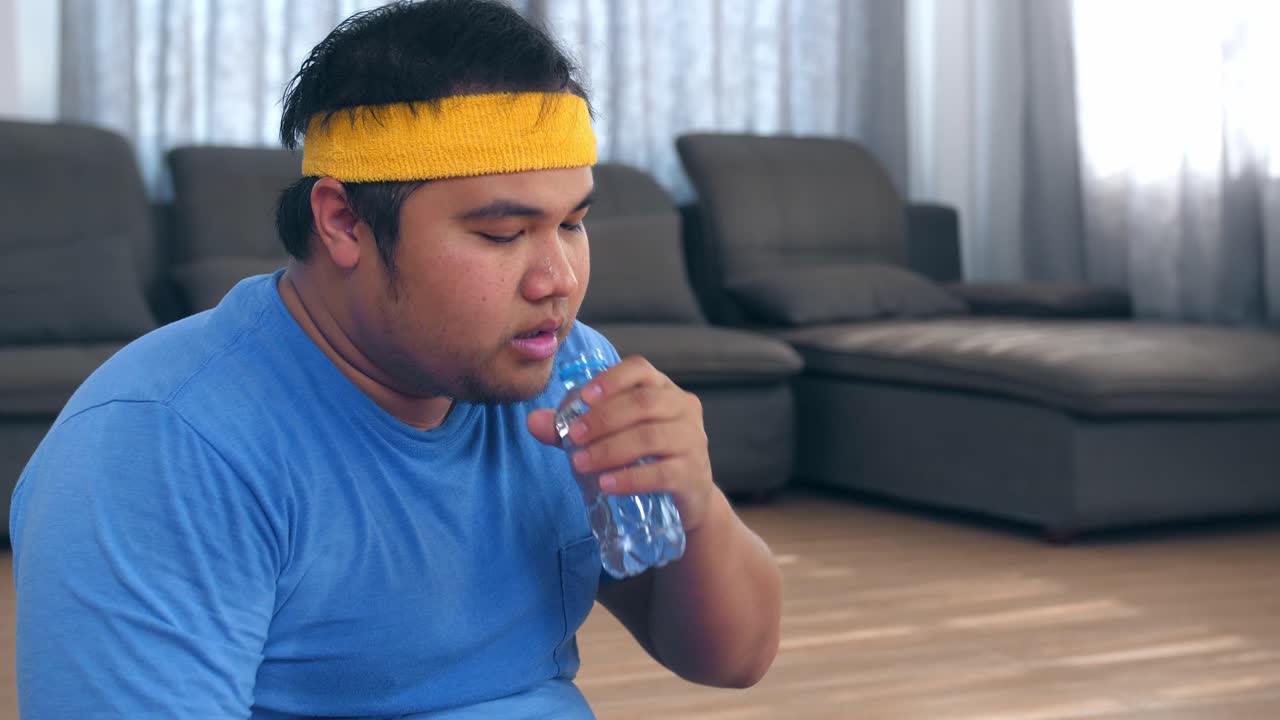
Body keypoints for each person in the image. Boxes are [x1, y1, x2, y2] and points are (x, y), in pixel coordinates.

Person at [9, 1, 782, 717]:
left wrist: (698, 501)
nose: (560, 281)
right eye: (502, 235)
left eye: (572, 224)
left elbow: (734, 659)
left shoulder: (568, 374)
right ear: (343, 220)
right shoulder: (163, 446)